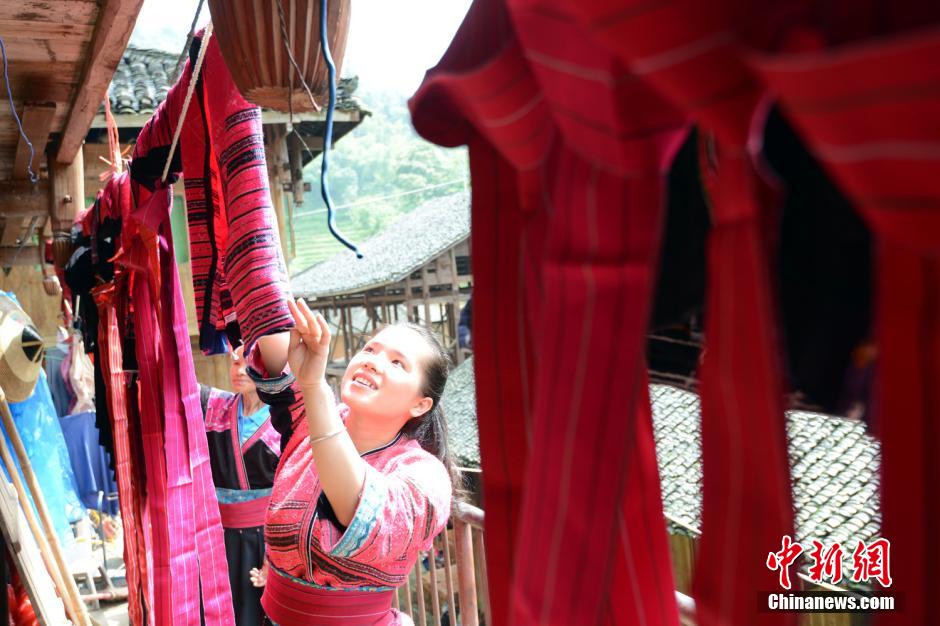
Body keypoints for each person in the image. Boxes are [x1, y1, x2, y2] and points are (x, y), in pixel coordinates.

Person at [248, 299, 455, 626]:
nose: (373, 362)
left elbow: (361, 514)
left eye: (398, 363)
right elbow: (269, 325)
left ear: (420, 404)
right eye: (370, 350)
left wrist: (314, 384)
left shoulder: (425, 476)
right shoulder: (310, 420)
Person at [199, 345, 281, 626]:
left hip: (266, 538)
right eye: (235, 363)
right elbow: (179, 386)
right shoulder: (214, 406)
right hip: (217, 538)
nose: (238, 371)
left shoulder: (287, 421)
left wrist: (276, 560)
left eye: (248, 364)